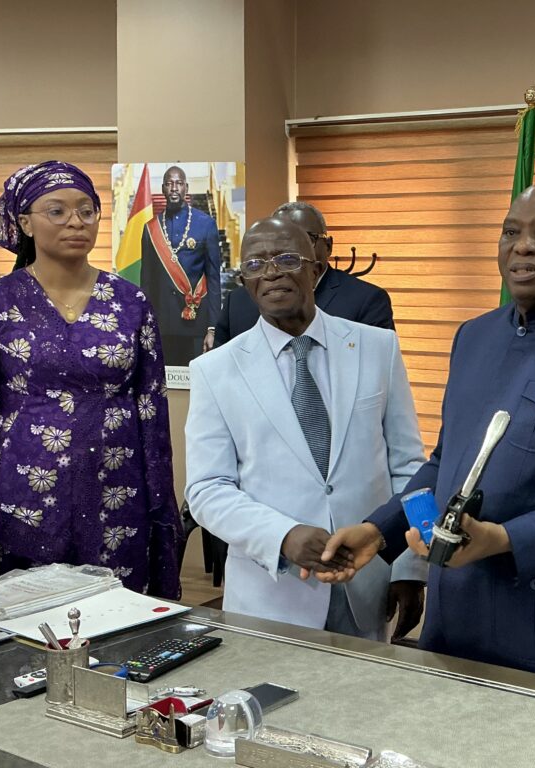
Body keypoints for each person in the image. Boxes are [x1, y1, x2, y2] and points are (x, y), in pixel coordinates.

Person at [313, 184, 535, 689]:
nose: (524, 246)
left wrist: (505, 539)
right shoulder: (474, 337)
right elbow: (447, 462)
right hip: (458, 613)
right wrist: (379, 530)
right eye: (510, 232)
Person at [185, 217, 426, 640]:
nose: (271, 273)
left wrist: (410, 566)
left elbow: (409, 468)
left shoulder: (376, 348)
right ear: (245, 281)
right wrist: (283, 536)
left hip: (366, 584)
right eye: (255, 264)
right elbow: (207, 489)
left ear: (316, 268)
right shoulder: (215, 370)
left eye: (287, 259)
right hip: (270, 595)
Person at [0, 161, 181, 598]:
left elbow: (151, 407)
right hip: (25, 496)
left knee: (117, 616)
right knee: (26, 616)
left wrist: (158, 503)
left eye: (87, 210)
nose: (76, 221)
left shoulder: (130, 301)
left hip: (118, 491)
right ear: (25, 223)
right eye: (57, 211)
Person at [213, 201, 394, 346]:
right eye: (281, 241)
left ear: (328, 246)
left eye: (306, 239)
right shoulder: (237, 303)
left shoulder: (367, 300)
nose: (294, 249)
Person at [139, 165, 221, 364]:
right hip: (163, 325)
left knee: (196, 379)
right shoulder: (150, 228)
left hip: (196, 323)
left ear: (186, 188)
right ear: (163, 189)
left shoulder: (205, 224)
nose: (174, 188)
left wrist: (212, 328)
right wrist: (146, 325)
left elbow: (213, 279)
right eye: (169, 183)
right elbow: (147, 283)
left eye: (179, 183)